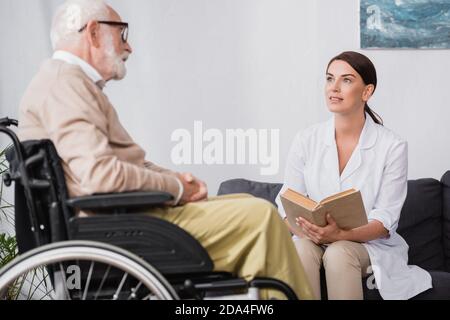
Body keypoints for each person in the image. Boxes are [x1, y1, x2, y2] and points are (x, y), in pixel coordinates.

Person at [17, 0, 314, 300]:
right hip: (117, 228)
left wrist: (178, 180)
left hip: (120, 218)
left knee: (245, 201)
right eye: (122, 34)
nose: (129, 47)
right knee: (260, 215)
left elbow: (116, 166)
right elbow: (99, 176)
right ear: (93, 33)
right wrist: (174, 187)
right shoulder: (65, 85)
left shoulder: (66, 83)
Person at [275, 51, 432, 300]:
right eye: (329, 79)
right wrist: (310, 231)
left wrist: (339, 235)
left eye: (346, 80)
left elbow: (384, 223)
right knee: (301, 250)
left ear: (367, 92)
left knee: (339, 252)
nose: (334, 88)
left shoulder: (392, 146)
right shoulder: (306, 139)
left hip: (367, 246)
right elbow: (286, 201)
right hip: (312, 239)